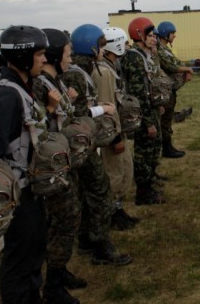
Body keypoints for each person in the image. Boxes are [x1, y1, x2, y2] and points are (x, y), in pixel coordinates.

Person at [0, 25, 50, 303]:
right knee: (20, 258)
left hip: (29, 189)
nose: (44, 60)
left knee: (33, 251)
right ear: (24, 57)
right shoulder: (7, 95)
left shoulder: (22, 88)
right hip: (18, 193)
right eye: (39, 54)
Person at [62, 24, 132, 267]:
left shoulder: (82, 70)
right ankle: (100, 244)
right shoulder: (77, 73)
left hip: (83, 140)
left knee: (86, 192)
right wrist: (103, 109)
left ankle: (86, 239)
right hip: (82, 142)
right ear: (91, 47)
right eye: (100, 47)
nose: (102, 52)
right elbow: (76, 111)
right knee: (99, 191)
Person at [33, 28, 86, 304]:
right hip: (52, 165)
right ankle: (52, 285)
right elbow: (39, 124)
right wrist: (57, 108)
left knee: (67, 219)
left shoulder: (57, 81)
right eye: (67, 53)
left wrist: (68, 102)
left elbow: (68, 111)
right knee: (63, 220)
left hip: (64, 159)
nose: (71, 57)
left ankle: (59, 269)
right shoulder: (42, 85)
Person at [96, 27, 138, 230]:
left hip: (119, 130)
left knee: (125, 170)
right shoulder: (105, 73)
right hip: (113, 133)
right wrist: (114, 138)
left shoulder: (111, 68)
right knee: (115, 173)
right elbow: (106, 107)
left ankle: (118, 209)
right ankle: (111, 214)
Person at [122, 17, 166, 205]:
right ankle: (143, 192)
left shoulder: (145, 55)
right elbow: (139, 91)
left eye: (154, 36)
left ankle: (149, 183)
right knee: (143, 153)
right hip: (142, 114)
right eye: (150, 35)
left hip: (150, 109)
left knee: (152, 150)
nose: (154, 39)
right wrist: (148, 122)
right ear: (139, 35)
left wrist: (158, 104)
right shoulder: (134, 57)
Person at [156, 21, 194, 158]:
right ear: (166, 34)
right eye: (173, 33)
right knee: (165, 121)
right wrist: (187, 69)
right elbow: (170, 66)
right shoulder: (159, 50)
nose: (175, 36)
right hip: (164, 91)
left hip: (170, 90)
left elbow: (177, 62)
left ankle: (168, 146)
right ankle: (166, 149)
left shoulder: (165, 49)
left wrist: (185, 69)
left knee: (167, 119)